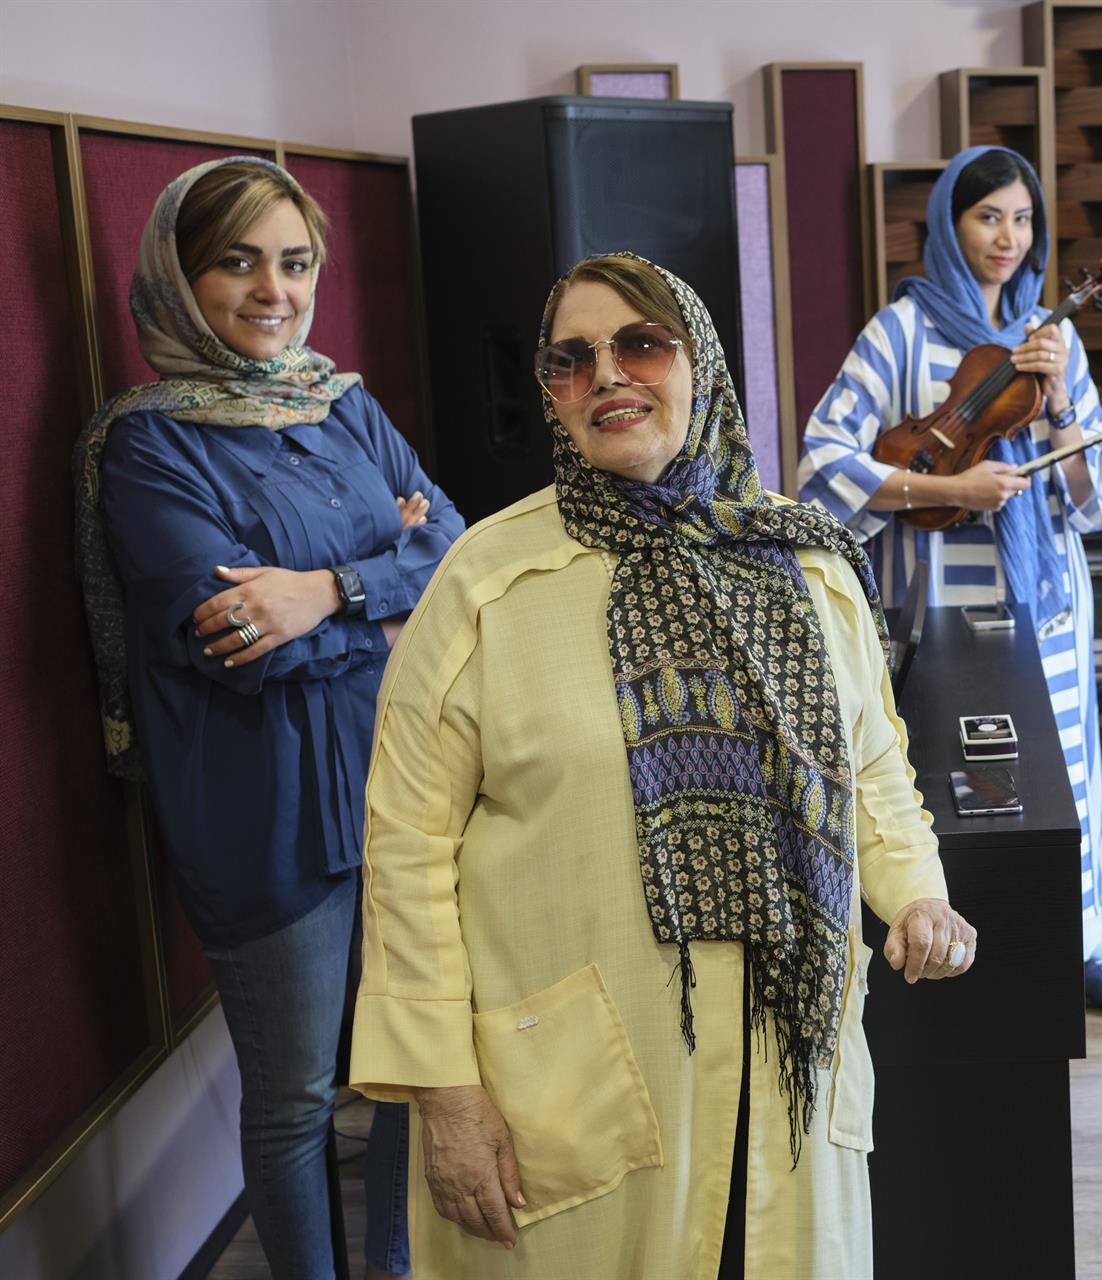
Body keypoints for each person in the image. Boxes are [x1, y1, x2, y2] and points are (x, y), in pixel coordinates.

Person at [349, 253, 973, 1278]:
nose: (608, 375)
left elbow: (873, 772)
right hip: (579, 1092)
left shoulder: (808, 563)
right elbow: (404, 846)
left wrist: (915, 894)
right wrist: (444, 1092)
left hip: (786, 1075)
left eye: (642, 342)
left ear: (703, 364)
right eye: (570, 358)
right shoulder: (487, 582)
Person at [75, 156, 465, 1278]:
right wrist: (383, 589)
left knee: (405, 1057)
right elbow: (234, 649)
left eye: (293, 262)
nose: (272, 290)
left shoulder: (341, 402)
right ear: (178, 276)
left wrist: (325, 593)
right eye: (236, 262)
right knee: (298, 1093)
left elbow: (456, 548)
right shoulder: (148, 444)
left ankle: (391, 1267)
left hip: (400, 782)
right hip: (267, 805)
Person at [798, 145, 1102, 1021]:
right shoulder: (900, 330)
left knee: (1064, 779)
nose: (1008, 237)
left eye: (1023, 219)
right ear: (949, 224)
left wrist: (1065, 409)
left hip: (1042, 600)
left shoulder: (1055, 335)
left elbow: (1096, 501)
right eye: (987, 216)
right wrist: (945, 490)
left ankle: (1085, 946)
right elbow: (823, 462)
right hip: (938, 598)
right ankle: (963, 964)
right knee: (954, 782)